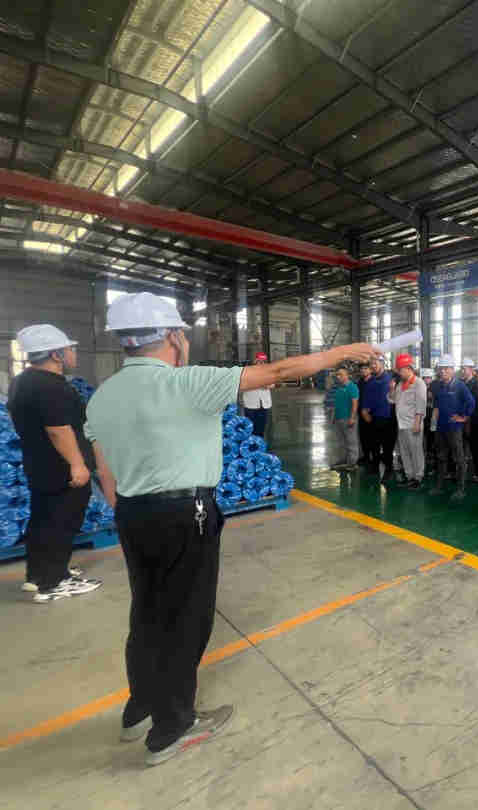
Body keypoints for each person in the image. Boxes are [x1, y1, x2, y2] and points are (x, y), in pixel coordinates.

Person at [86, 292, 373, 765]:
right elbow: (281, 371)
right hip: (185, 513)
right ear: (174, 337)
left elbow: (105, 470)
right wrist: (344, 352)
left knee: (148, 612)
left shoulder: (104, 396)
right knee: (185, 618)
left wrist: (131, 513)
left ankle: (140, 709)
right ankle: (172, 727)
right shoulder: (189, 383)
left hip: (133, 514)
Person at [9, 325, 101, 602]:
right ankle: (53, 583)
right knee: (62, 522)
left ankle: (38, 575)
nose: (74, 353)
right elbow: (58, 430)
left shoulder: (23, 381)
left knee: (43, 521)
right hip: (61, 469)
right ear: (56, 354)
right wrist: (77, 464)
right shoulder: (51, 386)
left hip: (40, 464)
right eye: (69, 349)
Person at [430, 355, 475, 500]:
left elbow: (471, 402)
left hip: (454, 428)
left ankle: (461, 489)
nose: (442, 371)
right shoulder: (438, 385)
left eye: (446, 369)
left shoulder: (460, 386)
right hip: (441, 427)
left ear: (452, 370)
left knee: (459, 459)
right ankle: (439, 486)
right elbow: (437, 404)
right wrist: (434, 421)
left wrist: (464, 417)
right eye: (441, 369)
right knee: (441, 457)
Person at [388, 354, 426, 490]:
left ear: (409, 369)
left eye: (401, 370)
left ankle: (418, 477)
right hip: (401, 424)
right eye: (398, 370)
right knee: (404, 452)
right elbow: (392, 400)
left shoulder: (419, 383)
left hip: (413, 424)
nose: (399, 373)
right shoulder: (400, 385)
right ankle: (409, 476)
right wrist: (391, 389)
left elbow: (421, 404)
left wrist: (417, 422)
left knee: (416, 452)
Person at [361, 355, 396, 484]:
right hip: (374, 418)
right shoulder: (371, 381)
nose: (373, 365)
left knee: (387, 447)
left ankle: (389, 470)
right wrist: (364, 410)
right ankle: (375, 468)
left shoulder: (391, 379)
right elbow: (366, 398)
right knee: (374, 445)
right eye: (372, 363)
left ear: (382, 363)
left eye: (376, 362)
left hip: (389, 419)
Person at [241, 352, 273, 440]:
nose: (262, 363)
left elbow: (272, 384)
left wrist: (263, 384)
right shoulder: (247, 371)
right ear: (255, 360)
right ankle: (249, 444)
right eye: (260, 361)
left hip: (264, 404)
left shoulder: (268, 372)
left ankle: (259, 443)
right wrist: (261, 383)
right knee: (250, 428)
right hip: (250, 404)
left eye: (264, 361)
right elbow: (243, 384)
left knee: (261, 428)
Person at [355, 362, 375, 469]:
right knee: (363, 436)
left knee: (372, 436)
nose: (363, 370)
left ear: (370, 370)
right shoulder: (360, 382)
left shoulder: (375, 381)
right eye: (361, 369)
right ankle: (366, 456)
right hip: (361, 412)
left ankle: (373, 458)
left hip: (371, 414)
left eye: (365, 368)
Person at [420, 367, 436, 473]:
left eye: (429, 378)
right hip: (422, 417)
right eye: (425, 378)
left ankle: (431, 457)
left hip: (432, 417)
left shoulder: (435, 388)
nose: (427, 380)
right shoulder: (419, 388)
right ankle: (423, 456)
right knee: (422, 438)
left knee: (431, 438)